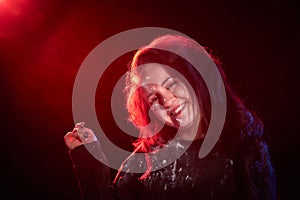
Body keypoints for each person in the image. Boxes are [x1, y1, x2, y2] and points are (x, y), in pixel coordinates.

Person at [64, 34, 276, 199]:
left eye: (172, 84)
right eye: (154, 98)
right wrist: (89, 155)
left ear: (196, 77)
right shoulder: (144, 163)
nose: (168, 101)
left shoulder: (244, 149)